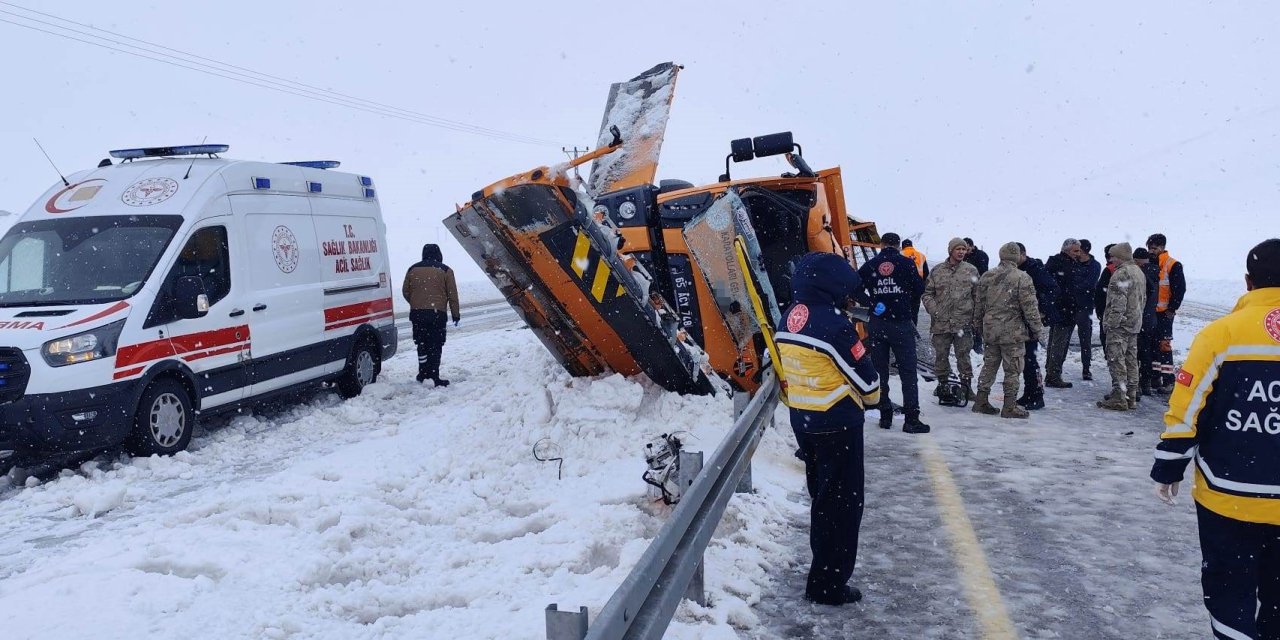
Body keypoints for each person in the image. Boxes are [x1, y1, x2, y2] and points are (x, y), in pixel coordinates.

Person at [1150, 238, 1280, 640]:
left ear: (1247, 282)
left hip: (1229, 495)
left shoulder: (1221, 334)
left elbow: (1187, 406)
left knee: (1230, 592)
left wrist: (1170, 464)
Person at [776, 252, 882, 606]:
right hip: (838, 424)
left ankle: (822, 570)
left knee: (822, 501)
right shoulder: (835, 326)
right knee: (843, 507)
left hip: (804, 421)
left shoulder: (788, 316)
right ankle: (827, 584)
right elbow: (869, 387)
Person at [858, 233, 929, 432]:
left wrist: (871, 303)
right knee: (908, 371)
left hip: (877, 323)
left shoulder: (871, 265)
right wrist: (902, 298)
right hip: (901, 323)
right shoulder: (906, 264)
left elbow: (854, 288)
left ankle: (885, 414)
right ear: (898, 246)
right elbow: (919, 287)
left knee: (880, 370)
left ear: (881, 245)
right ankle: (911, 419)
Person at [972, 242, 1044, 418]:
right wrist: (1037, 329)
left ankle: (981, 400)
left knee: (989, 365)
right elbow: (1030, 308)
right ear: (1017, 257)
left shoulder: (987, 276)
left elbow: (979, 304)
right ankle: (1009, 406)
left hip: (991, 329)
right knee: (1012, 369)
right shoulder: (1022, 277)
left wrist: (978, 325)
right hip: (1013, 332)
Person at [922, 238, 979, 402]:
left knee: (964, 356)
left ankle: (966, 387)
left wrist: (975, 318)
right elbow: (927, 294)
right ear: (950, 251)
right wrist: (935, 311)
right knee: (941, 356)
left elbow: (978, 297)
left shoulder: (971, 271)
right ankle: (943, 385)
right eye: (958, 249)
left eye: (963, 249)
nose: (961, 252)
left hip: (963, 323)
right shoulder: (937, 271)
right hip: (941, 324)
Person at [402, 244, 460, 385]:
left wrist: (416, 303)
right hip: (437, 315)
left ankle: (423, 373)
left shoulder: (412, 269)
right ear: (438, 254)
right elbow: (452, 295)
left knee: (421, 343)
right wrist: (455, 314)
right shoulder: (446, 270)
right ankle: (434, 375)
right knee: (436, 344)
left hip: (417, 315)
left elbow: (405, 291)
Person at [1097, 243, 1146, 411]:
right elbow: (1142, 300)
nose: (1111, 260)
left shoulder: (1121, 274)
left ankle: (1119, 397)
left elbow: (1118, 302)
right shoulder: (1138, 272)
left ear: (1120, 257)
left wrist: (1111, 323)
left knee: (1116, 359)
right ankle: (1130, 396)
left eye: (1113, 256)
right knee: (1131, 359)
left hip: (1120, 325)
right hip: (1133, 323)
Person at [1016, 242, 1059, 409]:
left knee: (1030, 359)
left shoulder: (1034, 269)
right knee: (1025, 359)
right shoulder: (1019, 270)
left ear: (1023, 254)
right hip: (1021, 320)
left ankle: (1037, 395)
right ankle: (1029, 393)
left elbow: (1052, 289)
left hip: (1031, 320)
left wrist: (1039, 308)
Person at [1147, 233, 1186, 393]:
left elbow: (1179, 289)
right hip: (1151, 313)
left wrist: (1172, 309)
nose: (1151, 250)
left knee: (1164, 346)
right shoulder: (1149, 263)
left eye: (1154, 248)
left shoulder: (1173, 265)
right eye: (1149, 247)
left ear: (1162, 247)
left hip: (1164, 314)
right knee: (1152, 345)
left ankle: (1169, 380)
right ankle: (1155, 377)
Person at [1045, 239, 1086, 384]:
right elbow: (1067, 289)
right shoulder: (1065, 265)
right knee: (1059, 344)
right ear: (1067, 251)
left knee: (1055, 342)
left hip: (1061, 309)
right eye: (1076, 251)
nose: (1078, 253)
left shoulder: (1059, 263)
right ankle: (1053, 375)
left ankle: (1051, 372)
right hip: (1064, 309)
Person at [1133, 248, 1161, 397]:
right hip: (1151, 319)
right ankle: (1146, 384)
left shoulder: (1140, 274)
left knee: (1135, 353)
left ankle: (1136, 385)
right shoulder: (1156, 271)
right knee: (1147, 353)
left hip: (1140, 318)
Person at [900, 239, 929, 325]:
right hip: (916, 287)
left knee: (902, 311)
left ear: (903, 246)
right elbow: (926, 273)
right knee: (914, 312)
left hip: (903, 287)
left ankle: (904, 331)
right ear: (912, 246)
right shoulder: (921, 256)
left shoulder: (899, 254)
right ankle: (913, 331)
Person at [1095, 243, 1118, 346]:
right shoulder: (1133, 268)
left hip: (1110, 312)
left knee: (1109, 343)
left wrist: (1100, 312)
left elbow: (1100, 292)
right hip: (1129, 315)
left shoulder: (1109, 270)